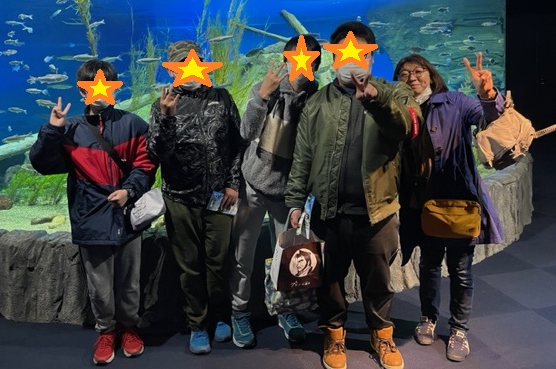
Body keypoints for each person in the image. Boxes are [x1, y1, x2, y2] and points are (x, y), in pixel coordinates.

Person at [285, 21, 421, 369]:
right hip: (327, 212)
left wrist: (376, 101)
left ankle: (382, 333)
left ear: (371, 58)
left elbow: (405, 127)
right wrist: (295, 202)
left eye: (360, 54)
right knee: (329, 280)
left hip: (377, 213)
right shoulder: (317, 102)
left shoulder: (394, 92)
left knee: (378, 280)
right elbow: (303, 155)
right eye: (344, 55)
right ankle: (334, 334)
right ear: (334, 59)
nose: (351, 61)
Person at [29, 60, 157, 365]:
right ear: (81, 90)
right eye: (91, 86)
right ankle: (106, 330)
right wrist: (52, 130)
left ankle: (129, 327)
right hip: (90, 216)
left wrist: (130, 191)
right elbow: (43, 164)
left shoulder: (134, 124)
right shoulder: (69, 128)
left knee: (130, 281)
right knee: (99, 285)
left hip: (127, 216)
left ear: (115, 88)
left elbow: (146, 164)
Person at [394, 52, 505, 363]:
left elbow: (488, 120)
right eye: (404, 74)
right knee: (428, 265)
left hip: (459, 201)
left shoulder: (455, 101)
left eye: (418, 71)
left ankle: (458, 329)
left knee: (460, 268)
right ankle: (427, 318)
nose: (412, 78)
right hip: (420, 204)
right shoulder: (398, 109)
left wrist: (488, 95)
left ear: (431, 74)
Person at [147, 40, 244, 355]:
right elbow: (158, 154)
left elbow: (237, 144)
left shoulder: (221, 97)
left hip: (220, 197)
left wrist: (233, 184)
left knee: (219, 261)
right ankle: (197, 324)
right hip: (180, 198)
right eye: (182, 63)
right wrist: (167, 118)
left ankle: (221, 316)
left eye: (195, 62)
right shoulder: (162, 104)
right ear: (171, 69)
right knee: (189, 266)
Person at [229, 34, 321, 348]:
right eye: (293, 58)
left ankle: (286, 310)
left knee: (289, 257)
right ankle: (239, 311)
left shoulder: (316, 99)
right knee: (243, 255)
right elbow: (246, 132)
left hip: (289, 194)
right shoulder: (265, 89)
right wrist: (261, 96)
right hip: (253, 185)